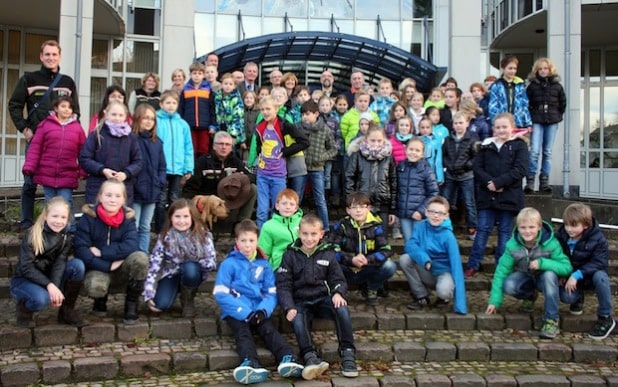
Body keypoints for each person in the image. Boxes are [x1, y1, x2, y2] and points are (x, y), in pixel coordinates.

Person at [213, 220, 304, 384]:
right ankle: (250, 362)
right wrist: (244, 312)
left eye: (251, 241)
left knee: (269, 330)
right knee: (243, 334)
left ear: (257, 241)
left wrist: (263, 310)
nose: (247, 245)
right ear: (236, 241)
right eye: (243, 241)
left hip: (258, 309)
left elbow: (271, 292)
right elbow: (221, 293)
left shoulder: (264, 265)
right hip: (236, 311)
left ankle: (288, 358)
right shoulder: (229, 264)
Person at [9, 40, 80, 232]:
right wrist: (24, 129)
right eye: (47, 54)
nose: (51, 58)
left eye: (54, 54)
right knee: (30, 182)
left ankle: (61, 226)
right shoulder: (28, 79)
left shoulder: (67, 82)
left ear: (59, 56)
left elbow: (76, 113)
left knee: (60, 184)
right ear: (41, 56)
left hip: (61, 144)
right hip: (37, 141)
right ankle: (26, 222)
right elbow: (14, 106)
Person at [276, 214, 359, 379]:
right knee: (298, 318)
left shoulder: (327, 254)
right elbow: (283, 285)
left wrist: (337, 292)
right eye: (305, 234)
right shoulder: (290, 255)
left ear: (321, 234)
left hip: (322, 298)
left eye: (313, 234)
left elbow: (338, 279)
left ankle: (347, 352)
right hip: (300, 301)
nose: (309, 238)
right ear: (299, 233)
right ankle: (310, 356)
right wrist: (288, 306)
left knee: (341, 308)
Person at [486, 207, 572, 339]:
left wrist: (543, 263)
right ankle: (529, 296)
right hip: (525, 276)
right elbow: (501, 272)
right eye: (523, 227)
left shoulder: (551, 243)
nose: (527, 231)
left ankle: (551, 319)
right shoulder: (512, 245)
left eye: (531, 227)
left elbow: (566, 267)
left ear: (539, 227)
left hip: (545, 278)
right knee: (509, 284)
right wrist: (494, 301)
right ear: (518, 228)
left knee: (549, 275)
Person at [74, 180, 149, 324]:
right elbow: (81, 249)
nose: (112, 199)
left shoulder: (128, 219)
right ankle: (100, 302)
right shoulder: (89, 218)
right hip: (97, 268)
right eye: (108, 195)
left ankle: (131, 305)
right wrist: (107, 266)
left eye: (117, 196)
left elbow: (132, 245)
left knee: (141, 258)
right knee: (96, 288)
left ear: (123, 199)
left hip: (121, 266)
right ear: (100, 197)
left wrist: (103, 252)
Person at [465, 113, 529, 278]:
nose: (501, 130)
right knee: (483, 231)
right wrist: (490, 183)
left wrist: (500, 183)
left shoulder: (519, 146)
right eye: (498, 127)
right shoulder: (486, 146)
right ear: (493, 128)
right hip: (487, 196)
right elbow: (478, 168)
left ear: (511, 127)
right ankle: (473, 264)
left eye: (504, 127)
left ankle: (501, 266)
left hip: (509, 196)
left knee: (504, 233)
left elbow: (520, 169)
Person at [11, 197, 87, 328]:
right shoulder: (32, 235)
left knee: (77, 266)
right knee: (41, 299)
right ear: (46, 215)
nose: (58, 221)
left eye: (63, 217)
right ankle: (24, 309)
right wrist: (50, 286)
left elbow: (60, 264)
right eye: (55, 216)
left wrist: (55, 287)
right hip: (24, 280)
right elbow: (26, 267)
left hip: (48, 278)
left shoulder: (65, 237)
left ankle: (66, 312)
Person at [143, 199, 216, 317]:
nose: (182, 221)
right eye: (177, 216)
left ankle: (188, 298)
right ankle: (173, 289)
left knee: (189, 268)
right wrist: (149, 291)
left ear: (192, 217)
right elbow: (154, 264)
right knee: (160, 305)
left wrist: (194, 260)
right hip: (171, 273)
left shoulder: (203, 236)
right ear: (171, 218)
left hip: (193, 273)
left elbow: (211, 262)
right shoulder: (165, 237)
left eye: (186, 216)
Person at [247, 96, 310, 228]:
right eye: (262, 109)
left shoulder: (284, 125)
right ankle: (262, 238)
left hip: (278, 174)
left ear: (276, 109)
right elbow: (259, 145)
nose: (265, 112)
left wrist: (286, 151)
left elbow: (304, 141)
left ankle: (277, 233)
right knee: (262, 209)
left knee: (278, 208)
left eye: (268, 109)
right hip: (263, 174)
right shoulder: (260, 127)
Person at [556, 203, 616, 340]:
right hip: (570, 276)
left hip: (590, 276)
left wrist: (577, 275)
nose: (569, 229)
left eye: (574, 225)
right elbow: (556, 256)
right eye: (566, 225)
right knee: (567, 297)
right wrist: (562, 274)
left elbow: (599, 262)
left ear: (585, 225)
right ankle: (578, 298)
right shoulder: (561, 236)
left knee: (601, 277)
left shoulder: (598, 239)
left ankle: (605, 317)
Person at [399, 196, 467, 313]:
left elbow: (456, 266)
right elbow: (410, 245)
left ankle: (443, 298)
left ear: (446, 216)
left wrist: (460, 306)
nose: (436, 216)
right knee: (405, 259)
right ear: (426, 212)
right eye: (432, 212)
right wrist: (424, 259)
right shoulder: (420, 226)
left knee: (443, 291)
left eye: (440, 213)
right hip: (426, 269)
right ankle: (421, 295)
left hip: (444, 273)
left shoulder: (449, 237)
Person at [328, 192, 397, 306]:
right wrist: (351, 259)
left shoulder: (376, 226)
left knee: (389, 266)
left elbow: (386, 249)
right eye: (354, 207)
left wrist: (368, 260)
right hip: (346, 269)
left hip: (367, 267)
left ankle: (371, 288)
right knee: (327, 263)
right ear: (348, 210)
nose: (358, 211)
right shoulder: (341, 226)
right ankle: (337, 290)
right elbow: (331, 248)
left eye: (362, 207)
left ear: (368, 208)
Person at [22, 96, 85, 217]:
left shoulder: (77, 128)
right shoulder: (45, 125)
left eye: (69, 107)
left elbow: (82, 151)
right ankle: (50, 231)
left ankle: (69, 231)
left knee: (66, 202)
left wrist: (83, 170)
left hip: (67, 174)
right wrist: (29, 166)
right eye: (63, 106)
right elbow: (35, 147)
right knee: (50, 203)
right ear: (56, 108)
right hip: (47, 173)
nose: (67, 109)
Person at [183, 131, 256, 229]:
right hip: (208, 205)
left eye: (227, 144)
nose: (224, 147)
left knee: (252, 189)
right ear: (214, 146)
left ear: (231, 147)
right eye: (221, 144)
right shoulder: (202, 162)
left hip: (229, 202)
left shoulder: (235, 162)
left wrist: (242, 178)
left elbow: (252, 177)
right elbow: (189, 189)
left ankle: (240, 224)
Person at [79, 101, 143, 207]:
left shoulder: (131, 137)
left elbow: (139, 161)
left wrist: (126, 173)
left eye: (120, 115)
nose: (117, 118)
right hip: (98, 186)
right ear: (106, 113)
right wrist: (102, 170)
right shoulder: (97, 134)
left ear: (125, 116)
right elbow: (85, 158)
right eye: (114, 114)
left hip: (123, 187)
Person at [525, 57, 567, 193]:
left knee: (547, 151)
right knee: (534, 151)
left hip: (552, 121)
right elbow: (527, 104)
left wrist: (557, 115)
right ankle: (530, 181)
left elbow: (562, 103)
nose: (543, 71)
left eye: (545, 68)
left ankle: (544, 182)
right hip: (537, 120)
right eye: (540, 69)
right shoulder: (532, 86)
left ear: (550, 70)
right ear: (536, 71)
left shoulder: (557, 86)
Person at [155, 90, 194, 233]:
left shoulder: (183, 124)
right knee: (161, 200)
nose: (171, 106)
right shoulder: (157, 121)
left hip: (177, 168)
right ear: (161, 104)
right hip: (161, 168)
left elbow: (188, 146)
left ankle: (173, 228)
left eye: (174, 103)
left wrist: (188, 167)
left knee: (174, 198)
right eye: (168, 102)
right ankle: (159, 229)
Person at [346, 125, 397, 234]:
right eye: (372, 140)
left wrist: (392, 209)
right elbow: (349, 178)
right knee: (363, 237)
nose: (376, 144)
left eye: (379, 141)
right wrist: (351, 202)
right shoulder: (357, 156)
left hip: (382, 204)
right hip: (362, 204)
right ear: (366, 139)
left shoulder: (388, 158)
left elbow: (393, 182)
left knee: (381, 237)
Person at [296, 100, 338, 227]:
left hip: (317, 168)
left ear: (316, 114)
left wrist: (322, 157)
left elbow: (333, 149)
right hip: (300, 168)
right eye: (303, 114)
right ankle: (294, 227)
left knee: (320, 200)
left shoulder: (324, 129)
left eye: (308, 114)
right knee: (297, 198)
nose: (305, 117)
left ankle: (325, 227)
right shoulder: (297, 127)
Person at [132, 104, 166, 253]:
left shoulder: (157, 142)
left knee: (145, 227)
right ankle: (132, 255)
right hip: (135, 191)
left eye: (152, 119)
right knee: (134, 225)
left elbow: (162, 166)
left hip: (152, 190)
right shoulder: (132, 139)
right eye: (145, 118)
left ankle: (143, 256)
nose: (149, 121)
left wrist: (160, 181)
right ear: (138, 119)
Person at [441, 111, 478, 240]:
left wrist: (467, 165)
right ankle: (444, 227)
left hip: (466, 175)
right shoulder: (448, 140)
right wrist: (449, 165)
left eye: (461, 123)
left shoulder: (472, 140)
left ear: (467, 123)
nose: (458, 126)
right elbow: (444, 155)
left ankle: (472, 228)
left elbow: (476, 158)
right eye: (456, 123)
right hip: (451, 175)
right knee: (445, 201)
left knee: (469, 202)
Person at [395, 137, 439, 242]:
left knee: (419, 242)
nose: (413, 153)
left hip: (418, 215)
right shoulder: (400, 167)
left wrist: (421, 211)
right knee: (409, 243)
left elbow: (433, 193)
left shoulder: (426, 170)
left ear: (422, 154)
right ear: (406, 150)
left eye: (417, 150)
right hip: (404, 214)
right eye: (411, 149)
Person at [178, 62, 217, 158]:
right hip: (189, 125)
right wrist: (181, 123)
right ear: (190, 74)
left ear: (203, 75)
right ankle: (192, 170)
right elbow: (181, 108)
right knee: (192, 148)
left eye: (199, 73)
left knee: (204, 149)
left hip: (205, 126)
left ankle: (202, 170)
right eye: (194, 73)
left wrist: (212, 125)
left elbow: (212, 109)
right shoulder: (185, 90)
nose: (197, 76)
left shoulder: (208, 89)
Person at [258, 189, 303, 271]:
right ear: (277, 206)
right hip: (279, 267)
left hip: (301, 266)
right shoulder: (268, 226)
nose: (288, 207)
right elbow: (263, 253)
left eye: (291, 204)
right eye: (284, 203)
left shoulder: (303, 223)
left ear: (296, 208)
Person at [488, 55, 532, 136]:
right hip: (502, 125)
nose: (513, 71)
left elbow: (524, 105)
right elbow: (493, 107)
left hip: (518, 123)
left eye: (515, 68)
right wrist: (496, 123)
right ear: (503, 68)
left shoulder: (520, 85)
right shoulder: (496, 86)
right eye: (510, 68)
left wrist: (528, 122)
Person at [319, 95, 345, 207]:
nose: (325, 107)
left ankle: (327, 197)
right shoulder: (317, 120)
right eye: (322, 105)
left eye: (327, 105)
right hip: (318, 154)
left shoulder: (334, 120)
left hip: (330, 154)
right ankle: (319, 197)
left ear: (331, 106)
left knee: (327, 176)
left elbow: (339, 136)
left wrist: (335, 147)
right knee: (319, 175)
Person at [214, 72, 246, 151]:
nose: (228, 86)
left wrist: (233, 135)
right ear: (221, 84)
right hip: (219, 128)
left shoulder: (237, 99)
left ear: (234, 86)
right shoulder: (217, 97)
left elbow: (238, 118)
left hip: (232, 131)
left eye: (230, 84)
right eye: (226, 83)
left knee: (230, 151)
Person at [418, 117, 444, 185]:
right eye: (422, 127)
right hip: (418, 174)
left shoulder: (436, 142)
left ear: (431, 128)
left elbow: (438, 161)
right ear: (419, 128)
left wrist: (439, 177)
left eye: (427, 127)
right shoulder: (415, 141)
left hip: (431, 174)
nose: (425, 130)